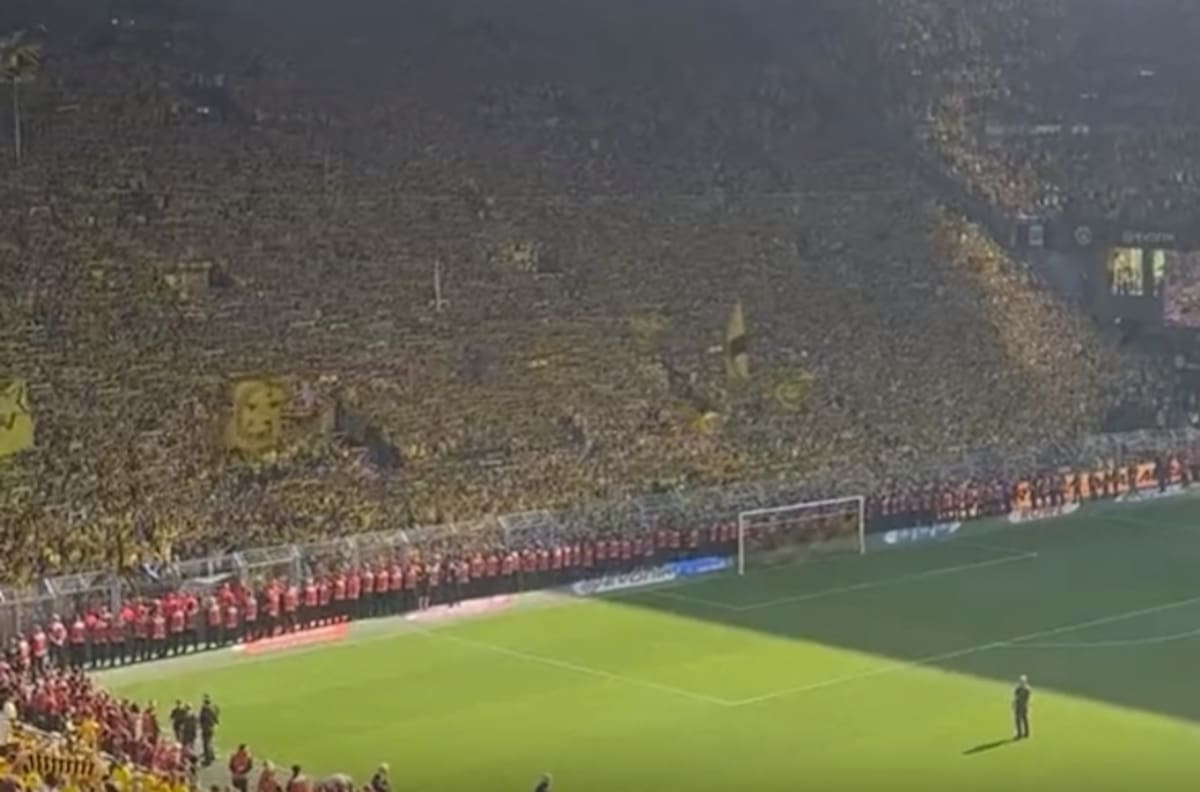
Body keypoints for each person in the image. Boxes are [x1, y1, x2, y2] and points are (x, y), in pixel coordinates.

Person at [199, 694, 220, 765]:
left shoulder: (204, 710)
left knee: (206, 744)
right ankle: (212, 756)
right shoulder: (212, 710)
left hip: (206, 729)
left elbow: (200, 719)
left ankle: (208, 759)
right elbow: (216, 720)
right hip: (211, 728)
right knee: (210, 742)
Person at [1013, 674, 1031, 740]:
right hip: (1019, 706)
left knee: (1022, 719)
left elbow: (1026, 699)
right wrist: (1014, 703)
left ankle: (1023, 734)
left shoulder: (1026, 689)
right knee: (1020, 719)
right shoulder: (1019, 688)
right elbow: (1015, 697)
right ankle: (1022, 733)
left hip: (1023, 706)